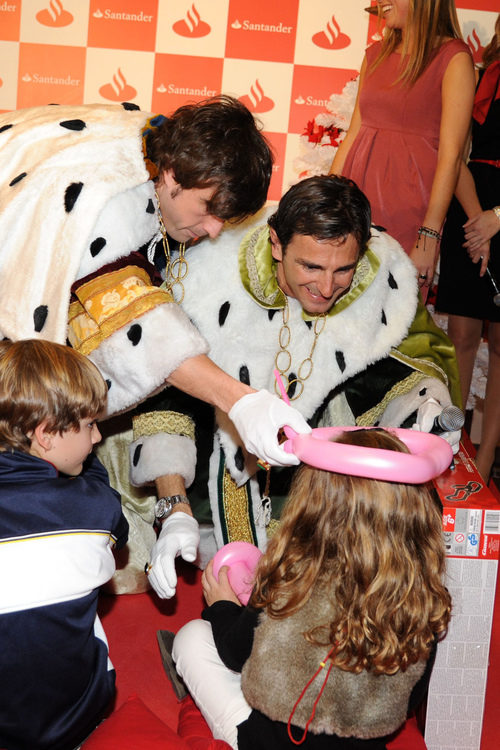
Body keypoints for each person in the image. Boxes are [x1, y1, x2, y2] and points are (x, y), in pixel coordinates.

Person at [0, 96, 310, 594]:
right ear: (171, 172)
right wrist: (242, 399)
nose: (210, 231)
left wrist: (175, 505)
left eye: (223, 222)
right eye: (209, 210)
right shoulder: (111, 204)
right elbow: (136, 325)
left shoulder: (151, 147)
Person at [140, 175, 461, 598]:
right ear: (276, 244)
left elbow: (409, 364)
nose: (327, 288)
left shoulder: (380, 283)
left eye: (343, 269)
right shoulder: (211, 277)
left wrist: (425, 410)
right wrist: (174, 507)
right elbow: (167, 396)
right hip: (212, 496)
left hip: (330, 512)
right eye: (310, 266)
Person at [172, 428, 452, 749]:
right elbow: (411, 698)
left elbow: (234, 654)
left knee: (193, 637)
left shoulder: (291, 575)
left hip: (270, 742)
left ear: (313, 503)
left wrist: (221, 605)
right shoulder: (420, 595)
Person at [0, 339, 129, 750]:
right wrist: (88, 472)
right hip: (75, 718)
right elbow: (118, 529)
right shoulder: (92, 508)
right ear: (46, 435)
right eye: (90, 425)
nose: (96, 439)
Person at [329, 0, 475, 300]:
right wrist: (327, 200)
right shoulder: (374, 55)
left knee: (392, 314)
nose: (380, 2)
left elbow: (451, 155)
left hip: (409, 210)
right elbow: (354, 133)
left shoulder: (453, 58)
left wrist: (429, 234)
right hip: (355, 203)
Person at [436, 14, 500, 484]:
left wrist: (497, 219)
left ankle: (487, 464)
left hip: (497, 216)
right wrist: (478, 217)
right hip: (469, 204)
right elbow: (454, 150)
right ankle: (451, 453)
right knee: (460, 337)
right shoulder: (477, 74)